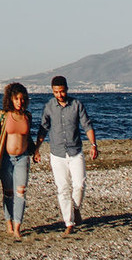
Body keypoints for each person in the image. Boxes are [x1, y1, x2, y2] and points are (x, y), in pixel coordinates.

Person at [33, 75, 98, 235]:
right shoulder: (49, 106)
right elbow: (43, 128)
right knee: (62, 188)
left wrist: (94, 145)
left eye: (62, 91)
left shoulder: (76, 105)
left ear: (67, 89)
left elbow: (87, 125)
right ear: (52, 91)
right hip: (57, 154)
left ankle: (75, 208)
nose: (59, 95)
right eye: (56, 92)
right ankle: (69, 223)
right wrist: (37, 148)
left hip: (75, 151)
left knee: (80, 184)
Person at [0, 81, 34, 239]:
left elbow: (28, 138)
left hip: (23, 158)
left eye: (22, 99)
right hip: (6, 159)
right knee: (8, 193)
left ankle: (18, 226)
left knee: (21, 192)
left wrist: (35, 151)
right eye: (17, 99)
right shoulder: (3, 116)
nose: (20, 102)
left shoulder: (27, 116)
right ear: (10, 99)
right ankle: (9, 222)